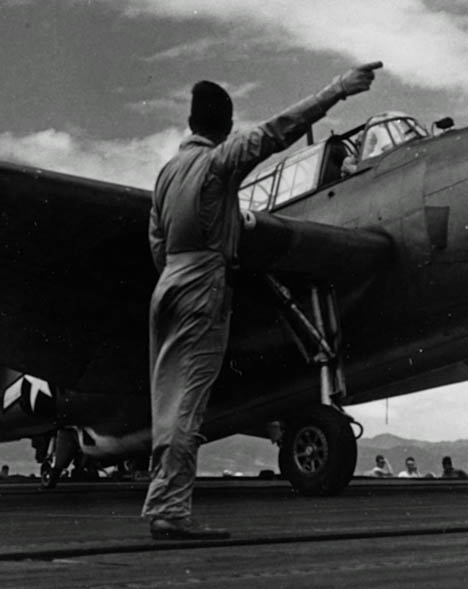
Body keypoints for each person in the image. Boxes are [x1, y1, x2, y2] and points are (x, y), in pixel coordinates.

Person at [142, 62, 383, 540]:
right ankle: (170, 512)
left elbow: (155, 240)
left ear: (192, 123)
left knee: (167, 403)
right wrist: (338, 90)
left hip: (168, 281)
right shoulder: (217, 162)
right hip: (203, 281)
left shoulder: (168, 173)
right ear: (225, 125)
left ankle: (162, 501)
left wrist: (179, 269)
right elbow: (278, 132)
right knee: (190, 400)